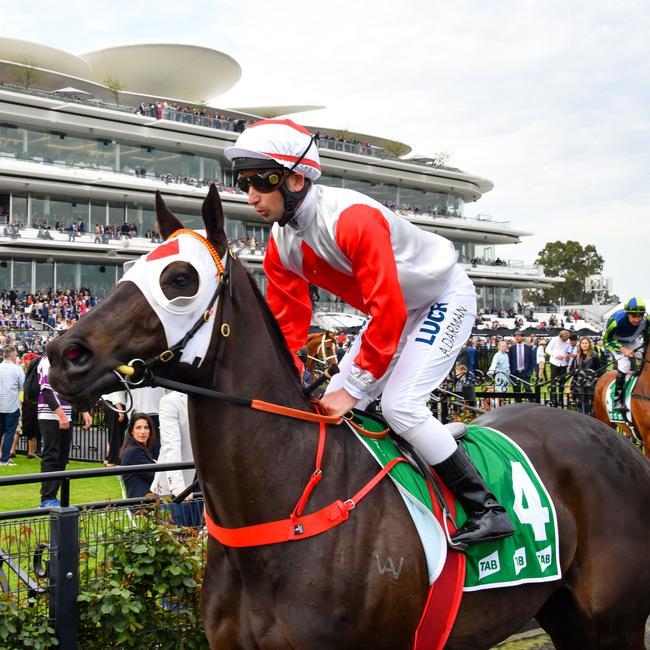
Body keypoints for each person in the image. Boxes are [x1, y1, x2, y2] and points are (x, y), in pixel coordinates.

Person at [225, 119, 513, 545]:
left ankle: (486, 509)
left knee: (401, 407)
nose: (251, 195)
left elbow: (389, 310)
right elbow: (289, 324)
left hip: (441, 298)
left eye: (260, 181)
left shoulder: (353, 219)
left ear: (297, 178)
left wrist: (355, 387)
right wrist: (287, 376)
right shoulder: (280, 244)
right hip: (392, 312)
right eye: (242, 182)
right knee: (333, 406)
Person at [37, 355, 91, 507]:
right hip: (49, 414)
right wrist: (60, 415)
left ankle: (52, 496)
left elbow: (72, 391)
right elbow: (46, 391)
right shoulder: (47, 361)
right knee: (51, 455)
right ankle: (47, 498)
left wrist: (84, 410)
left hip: (65, 414)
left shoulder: (67, 362)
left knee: (62, 457)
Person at [150, 391, 203, 526]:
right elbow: (171, 444)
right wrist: (178, 486)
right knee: (174, 539)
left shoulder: (212, 399)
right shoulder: (171, 401)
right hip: (175, 488)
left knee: (196, 540)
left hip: (202, 484)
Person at [603, 298, 650, 411]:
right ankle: (617, 400)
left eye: (639, 316)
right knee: (625, 365)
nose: (637, 320)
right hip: (615, 342)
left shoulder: (647, 319)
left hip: (633, 341)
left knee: (644, 358)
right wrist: (623, 349)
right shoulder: (616, 321)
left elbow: (647, 337)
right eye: (633, 316)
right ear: (627, 313)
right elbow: (606, 341)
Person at [120, 413, 157, 499]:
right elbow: (155, 476)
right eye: (138, 428)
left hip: (152, 499)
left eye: (146, 427)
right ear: (132, 431)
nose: (143, 432)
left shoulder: (142, 449)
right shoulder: (133, 452)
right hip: (142, 505)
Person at [0, 345, 24, 466]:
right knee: (9, 432)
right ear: (13, 356)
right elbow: (22, 386)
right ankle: (4, 459)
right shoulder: (17, 369)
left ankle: (3, 459)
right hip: (11, 406)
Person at [568, 337, 602, 414]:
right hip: (579, 384)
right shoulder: (577, 357)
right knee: (581, 402)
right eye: (582, 343)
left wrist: (594, 377)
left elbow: (600, 370)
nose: (584, 345)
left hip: (591, 384)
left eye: (586, 343)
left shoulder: (594, 356)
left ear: (589, 344)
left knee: (591, 402)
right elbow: (571, 370)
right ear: (580, 345)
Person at [545, 330, 572, 407]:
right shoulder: (554, 339)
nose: (565, 341)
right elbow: (547, 350)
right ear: (560, 336)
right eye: (564, 339)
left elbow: (568, 350)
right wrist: (556, 355)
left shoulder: (568, 341)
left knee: (562, 383)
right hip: (554, 362)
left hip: (563, 364)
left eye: (566, 339)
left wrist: (568, 355)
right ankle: (553, 400)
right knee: (553, 382)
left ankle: (560, 400)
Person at [507, 331, 534, 395]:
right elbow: (509, 361)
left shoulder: (528, 348)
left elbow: (531, 361)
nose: (517, 337)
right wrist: (511, 372)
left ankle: (532, 403)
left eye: (518, 336)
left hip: (526, 373)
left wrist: (530, 372)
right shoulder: (511, 348)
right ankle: (518, 403)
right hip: (515, 373)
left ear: (522, 337)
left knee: (528, 389)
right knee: (516, 391)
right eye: (515, 336)